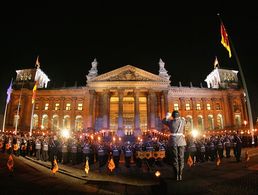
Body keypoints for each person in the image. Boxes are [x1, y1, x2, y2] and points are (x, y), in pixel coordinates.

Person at [162, 110, 187, 181]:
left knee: (175, 159)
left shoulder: (170, 122)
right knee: (181, 158)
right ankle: (180, 175)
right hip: (181, 142)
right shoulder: (182, 121)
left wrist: (167, 116)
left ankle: (176, 175)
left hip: (173, 142)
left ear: (172, 116)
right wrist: (183, 118)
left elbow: (163, 121)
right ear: (179, 115)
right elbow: (187, 122)